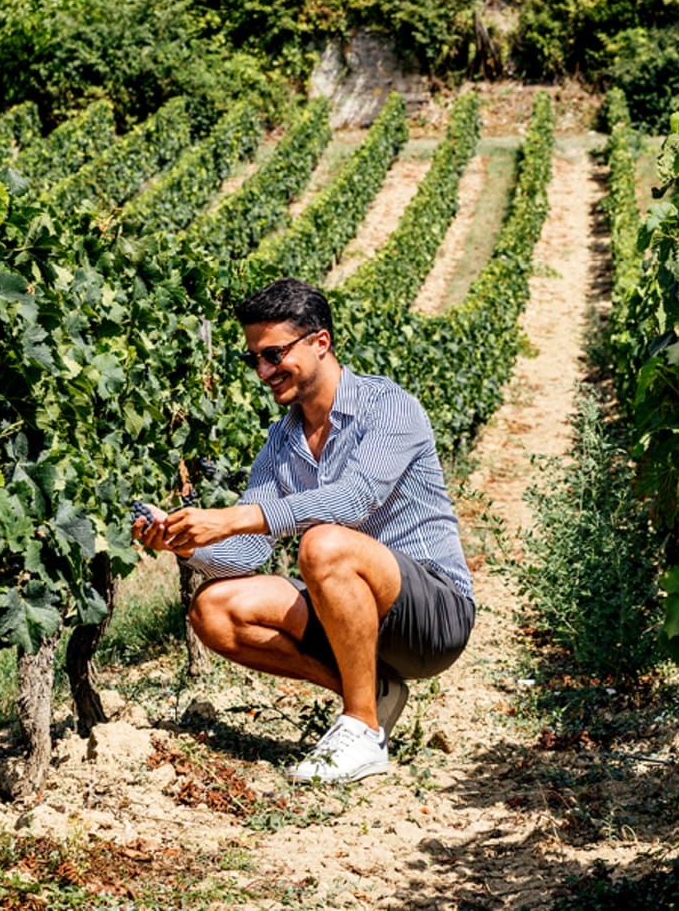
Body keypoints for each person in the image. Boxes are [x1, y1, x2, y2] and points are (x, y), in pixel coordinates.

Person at [133, 278, 475, 783]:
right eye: (255, 359)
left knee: (322, 542)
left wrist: (232, 515)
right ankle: (369, 692)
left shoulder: (387, 406)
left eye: (274, 354)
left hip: (431, 616)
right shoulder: (283, 439)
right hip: (350, 610)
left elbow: (355, 498)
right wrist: (187, 542)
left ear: (320, 342)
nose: (264, 371)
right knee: (214, 609)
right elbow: (248, 552)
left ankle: (361, 730)